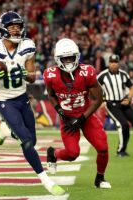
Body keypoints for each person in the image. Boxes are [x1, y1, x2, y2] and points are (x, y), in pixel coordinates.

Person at [0, 11, 65, 196]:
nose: (17, 30)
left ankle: (7, 130)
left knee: (31, 140)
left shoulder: (28, 45)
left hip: (22, 97)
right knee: (26, 142)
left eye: (18, 27)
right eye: (12, 27)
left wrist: (26, 74)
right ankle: (46, 181)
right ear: (3, 29)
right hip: (4, 100)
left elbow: (32, 77)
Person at [43, 38, 111, 189]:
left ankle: (100, 178)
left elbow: (99, 98)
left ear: (77, 57)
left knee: (103, 148)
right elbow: (51, 95)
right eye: (64, 58)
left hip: (85, 115)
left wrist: (82, 118)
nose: (68, 61)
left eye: (71, 57)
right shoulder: (50, 75)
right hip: (66, 118)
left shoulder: (87, 72)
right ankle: (53, 153)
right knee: (73, 154)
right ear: (57, 59)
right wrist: (60, 111)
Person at [97, 54, 133, 157]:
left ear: (118, 63)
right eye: (111, 62)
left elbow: (132, 88)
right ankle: (121, 150)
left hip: (124, 103)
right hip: (112, 105)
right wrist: (101, 99)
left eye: (115, 62)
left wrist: (128, 99)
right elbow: (94, 88)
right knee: (123, 125)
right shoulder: (102, 76)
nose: (113, 64)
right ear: (109, 63)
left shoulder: (124, 74)